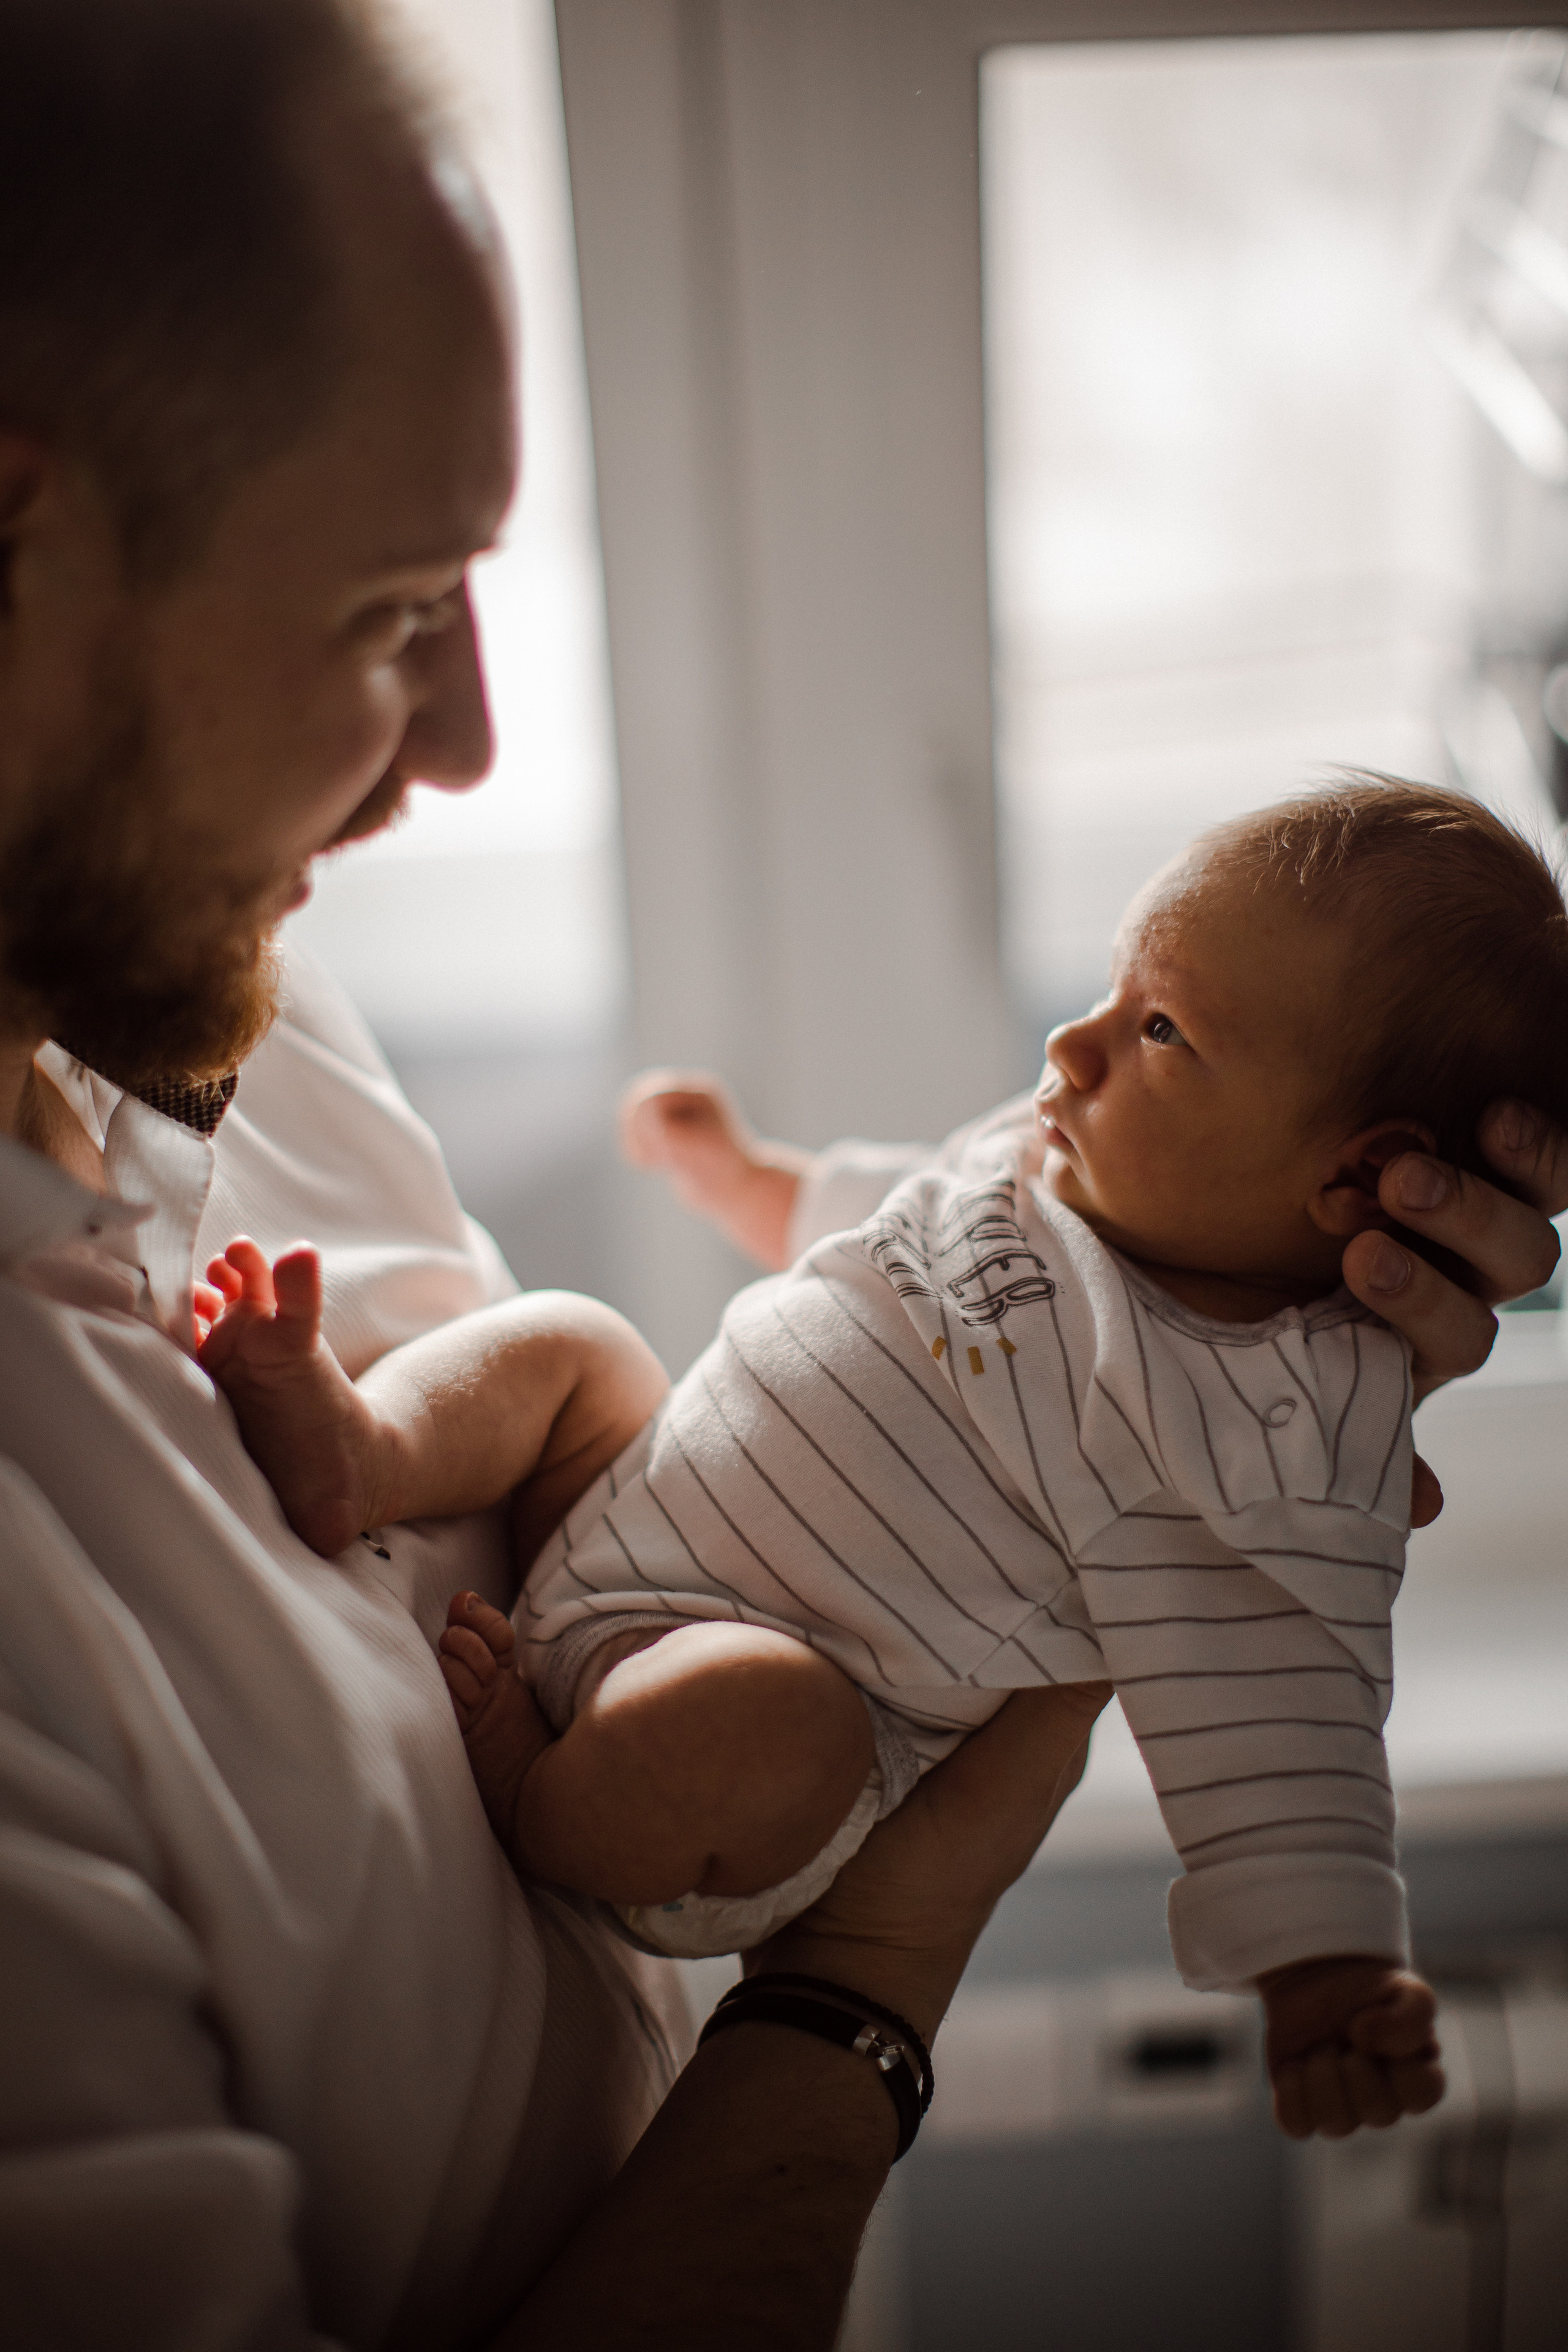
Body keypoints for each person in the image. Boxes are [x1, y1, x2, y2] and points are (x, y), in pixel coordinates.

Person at [0, 0, 1561, 2341]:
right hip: (732, 1835)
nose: (466, 742)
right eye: (384, 613)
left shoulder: (208, 967)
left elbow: (1264, 1673)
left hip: (697, 1691)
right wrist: (883, 1959)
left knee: (580, 1351)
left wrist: (1266, 1401)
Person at [202, 777, 1566, 2146]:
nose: (1072, 1045)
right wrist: (741, 1173)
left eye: (1160, 1031)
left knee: (773, 1718)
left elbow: (1295, 1716)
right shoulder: (1058, 1161)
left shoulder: (1262, 1433)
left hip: (741, 1727)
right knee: (578, 1345)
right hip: (618, 1512)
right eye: (1110, 986)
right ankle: (365, 1450)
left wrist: (1324, 1976)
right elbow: (872, 1208)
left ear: (1355, 1177)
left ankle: (535, 1793)